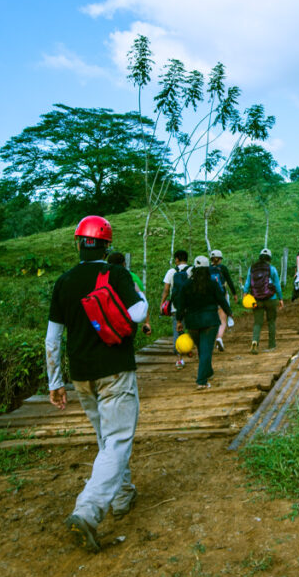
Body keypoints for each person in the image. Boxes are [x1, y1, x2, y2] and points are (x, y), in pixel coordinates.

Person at [45, 215, 148, 553]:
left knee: (106, 439)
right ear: (107, 245)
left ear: (78, 244)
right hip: (115, 370)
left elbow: (53, 339)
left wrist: (55, 381)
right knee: (117, 441)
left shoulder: (64, 282)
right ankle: (87, 511)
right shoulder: (115, 274)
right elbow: (139, 313)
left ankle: (122, 496)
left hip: (81, 376)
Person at [176, 255, 232, 390]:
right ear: (207, 269)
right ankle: (201, 380)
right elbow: (221, 300)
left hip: (192, 322)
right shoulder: (212, 283)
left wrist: (179, 320)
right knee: (206, 349)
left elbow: (180, 304)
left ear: (194, 268)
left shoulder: (186, 285)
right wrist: (229, 312)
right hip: (210, 320)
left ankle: (208, 372)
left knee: (202, 349)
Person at [243, 247, 284, 353]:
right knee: (271, 321)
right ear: (269, 258)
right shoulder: (272, 269)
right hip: (271, 299)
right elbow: (277, 285)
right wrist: (280, 298)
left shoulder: (252, 268)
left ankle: (255, 342)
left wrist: (245, 294)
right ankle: (271, 345)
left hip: (257, 299)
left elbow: (247, 283)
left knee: (257, 323)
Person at [107, 251, 151, 335]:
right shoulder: (132, 277)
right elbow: (142, 300)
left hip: (108, 320)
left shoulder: (102, 276)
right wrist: (147, 322)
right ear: (124, 264)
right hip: (129, 320)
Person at [160, 250, 190, 369]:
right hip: (190, 306)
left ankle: (179, 359)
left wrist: (162, 304)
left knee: (178, 331)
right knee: (192, 330)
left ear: (177, 259)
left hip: (176, 307)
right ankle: (192, 350)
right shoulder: (191, 270)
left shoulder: (171, 271)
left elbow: (166, 290)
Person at [209, 249, 238, 352]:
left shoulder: (207, 269)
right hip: (221, 296)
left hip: (210, 298)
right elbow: (229, 281)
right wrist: (234, 294)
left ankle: (212, 341)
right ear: (220, 259)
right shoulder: (223, 268)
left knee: (213, 320)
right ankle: (219, 338)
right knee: (222, 320)